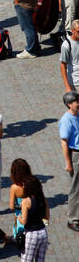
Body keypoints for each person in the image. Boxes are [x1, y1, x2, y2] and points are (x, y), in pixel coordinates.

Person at [8, 159, 49, 262]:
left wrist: (19, 218)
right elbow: (47, 216)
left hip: (31, 233)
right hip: (43, 231)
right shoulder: (42, 198)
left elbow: (24, 220)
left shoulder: (26, 201)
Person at [60, 90, 79, 231]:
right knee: (75, 188)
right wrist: (68, 163)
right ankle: (73, 219)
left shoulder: (77, 115)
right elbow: (64, 142)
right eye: (76, 101)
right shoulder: (66, 120)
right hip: (75, 155)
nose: (78, 103)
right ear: (69, 104)